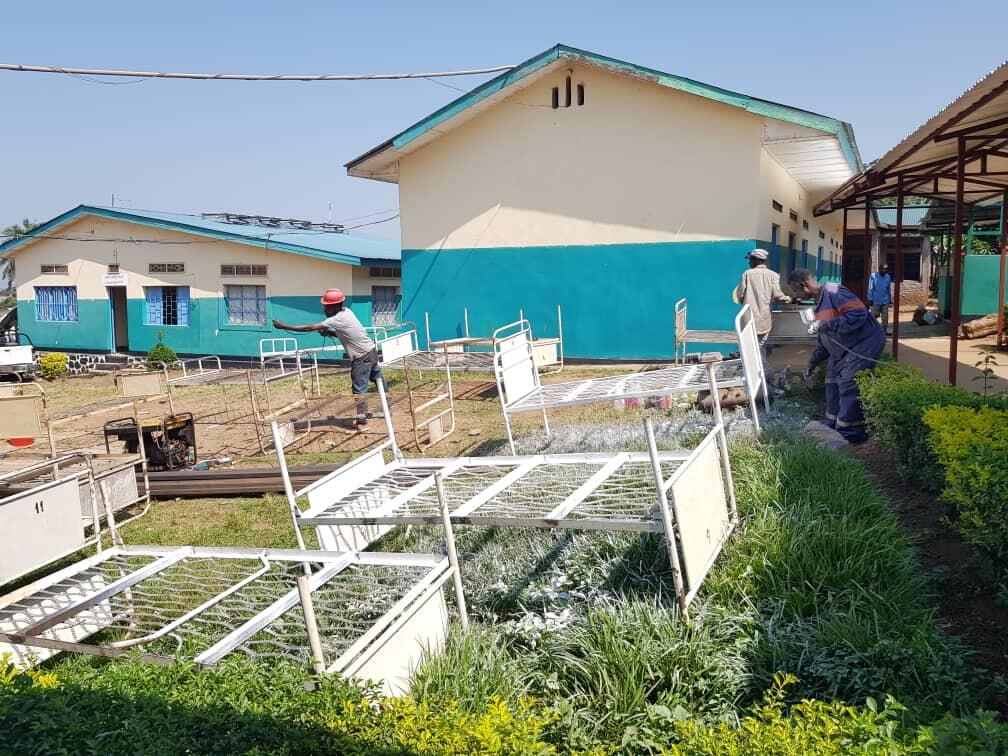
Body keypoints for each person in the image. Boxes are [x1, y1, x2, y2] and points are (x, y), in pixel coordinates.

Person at [788, 268, 885, 444]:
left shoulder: (834, 291)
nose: (796, 296)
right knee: (831, 380)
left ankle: (850, 432)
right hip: (844, 348)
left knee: (848, 382)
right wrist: (813, 362)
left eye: (796, 290)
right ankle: (832, 424)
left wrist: (827, 325)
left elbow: (858, 315)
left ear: (804, 285)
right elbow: (825, 341)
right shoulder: (818, 305)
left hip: (864, 342)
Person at [272, 288, 384, 431]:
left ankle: (361, 422)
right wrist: (330, 333)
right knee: (378, 379)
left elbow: (310, 327)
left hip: (361, 357)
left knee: (359, 390)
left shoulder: (337, 318)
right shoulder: (347, 312)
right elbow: (349, 334)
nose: (324, 308)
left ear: (334, 306)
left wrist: (284, 326)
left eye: (326, 306)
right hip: (371, 351)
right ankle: (387, 405)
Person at [733, 248, 794, 389]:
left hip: (748, 318)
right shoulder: (773, 275)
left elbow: (740, 294)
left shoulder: (747, 274)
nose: (749, 262)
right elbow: (778, 295)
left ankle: (765, 375)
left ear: (756, 260)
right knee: (760, 347)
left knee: (751, 348)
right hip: (765, 319)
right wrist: (789, 299)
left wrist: (746, 299)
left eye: (750, 260)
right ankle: (763, 376)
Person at [867, 264, 893, 333]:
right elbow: (870, 288)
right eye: (882, 269)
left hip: (885, 300)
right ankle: (872, 331)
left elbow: (888, 289)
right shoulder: (873, 276)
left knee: (885, 318)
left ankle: (883, 331)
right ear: (879, 269)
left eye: (885, 270)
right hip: (875, 300)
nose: (883, 271)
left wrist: (890, 299)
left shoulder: (888, 277)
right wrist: (870, 298)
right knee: (873, 317)